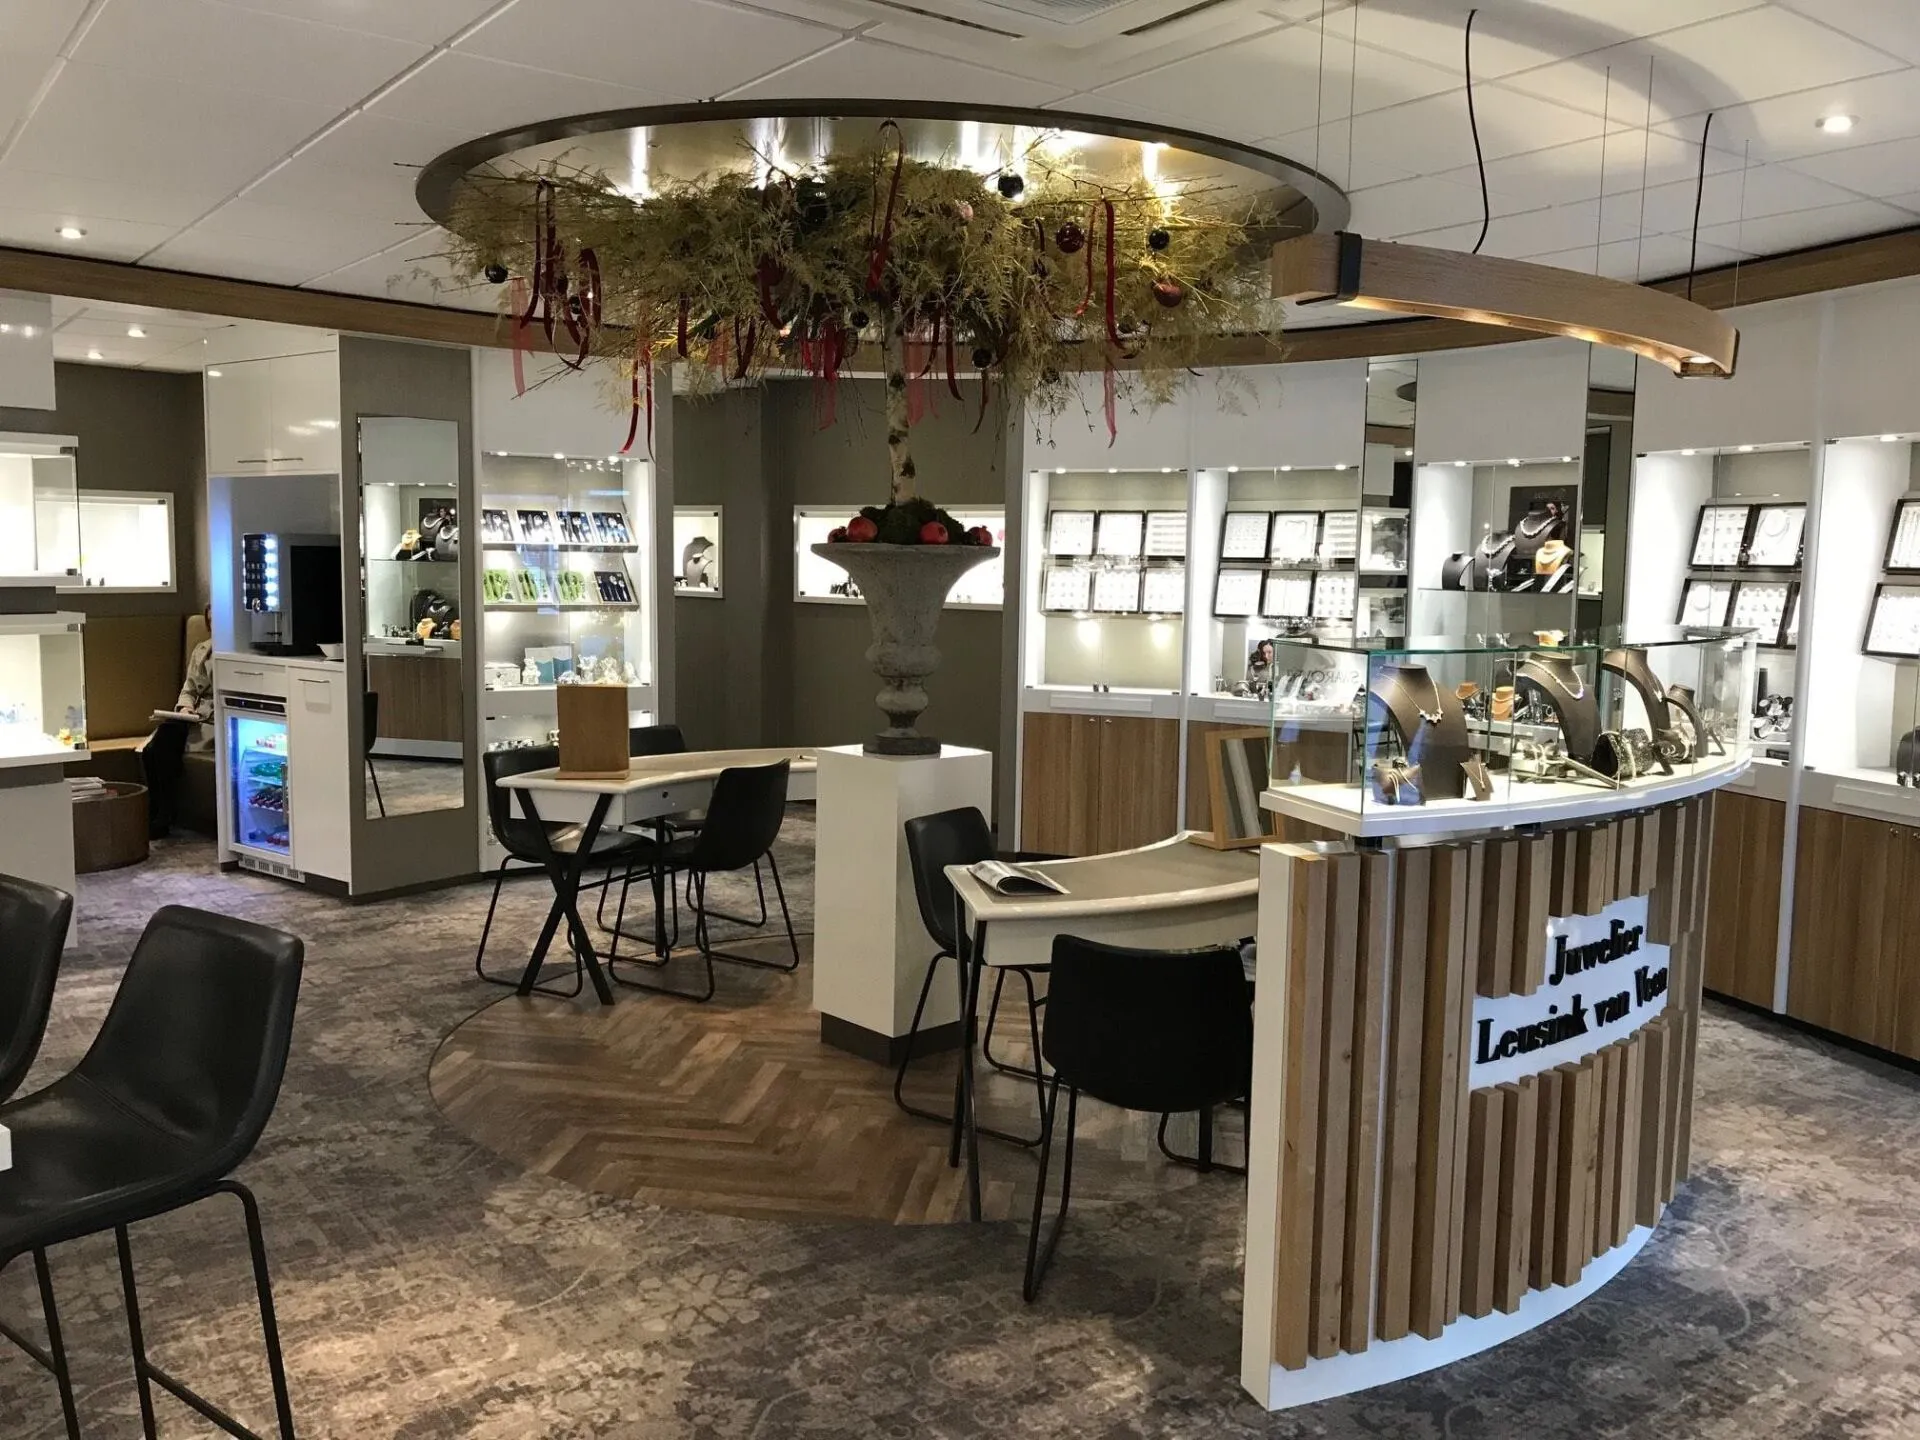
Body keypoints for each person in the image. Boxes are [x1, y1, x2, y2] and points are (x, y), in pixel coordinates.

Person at [140, 606, 212, 836]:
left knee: (165, 743)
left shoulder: (235, 655)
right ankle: (156, 811)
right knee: (152, 748)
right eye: (210, 622)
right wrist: (185, 707)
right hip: (194, 716)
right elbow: (189, 689)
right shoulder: (201, 650)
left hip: (214, 722)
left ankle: (164, 815)